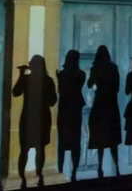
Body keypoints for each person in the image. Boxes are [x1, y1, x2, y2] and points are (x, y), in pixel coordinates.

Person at [13, 54, 57, 189]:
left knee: (24, 150)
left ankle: (23, 179)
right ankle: (39, 174)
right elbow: (52, 101)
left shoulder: (26, 79)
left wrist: (21, 74)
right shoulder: (48, 81)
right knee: (40, 149)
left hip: (28, 117)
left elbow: (15, 92)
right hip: (42, 118)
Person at [87, 45, 122, 177]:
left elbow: (89, 84)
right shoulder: (113, 68)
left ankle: (100, 167)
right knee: (113, 139)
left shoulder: (95, 68)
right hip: (111, 105)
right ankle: (117, 168)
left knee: (100, 138)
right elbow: (117, 88)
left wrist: (95, 75)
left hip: (99, 104)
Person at [56, 50, 86, 182]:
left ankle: (61, 170)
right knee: (75, 143)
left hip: (65, 112)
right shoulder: (80, 74)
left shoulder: (62, 75)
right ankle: (73, 172)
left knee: (63, 144)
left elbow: (61, 89)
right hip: (73, 112)